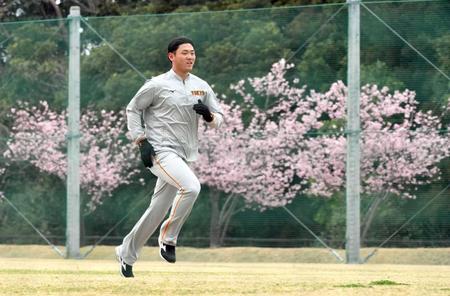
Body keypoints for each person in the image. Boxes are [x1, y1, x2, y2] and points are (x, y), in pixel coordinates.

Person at [115, 36, 223, 278]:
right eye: (185, 52)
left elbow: (219, 120)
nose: (191, 56)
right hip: (160, 151)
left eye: (193, 52)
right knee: (191, 187)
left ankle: (126, 252)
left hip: (183, 155)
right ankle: (168, 239)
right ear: (171, 56)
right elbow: (133, 108)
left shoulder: (201, 86)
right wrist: (141, 140)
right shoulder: (157, 84)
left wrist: (208, 116)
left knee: (158, 208)